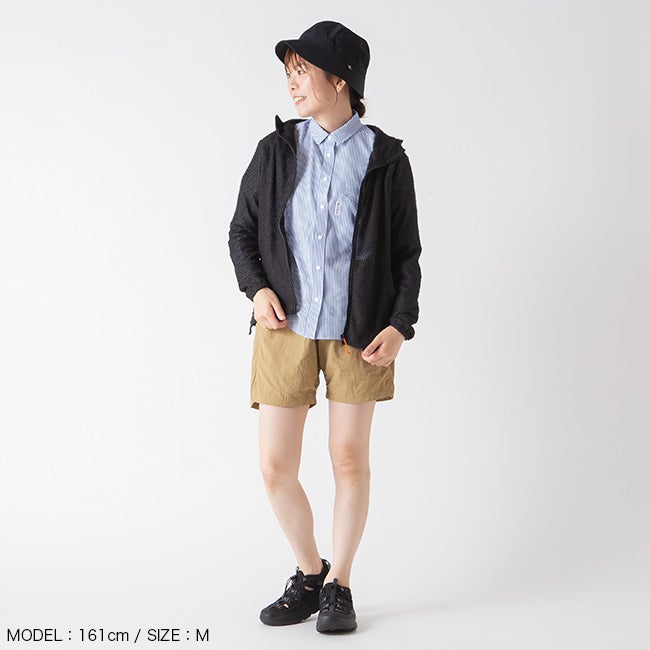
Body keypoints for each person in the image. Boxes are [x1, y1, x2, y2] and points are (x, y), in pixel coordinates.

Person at [228, 20, 421, 634]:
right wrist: (258, 289)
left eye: (302, 72)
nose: (292, 84)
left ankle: (340, 584)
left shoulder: (386, 158)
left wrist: (400, 323)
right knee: (274, 467)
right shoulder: (276, 150)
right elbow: (241, 232)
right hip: (283, 328)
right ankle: (310, 573)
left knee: (348, 459)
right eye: (288, 73)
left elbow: (406, 255)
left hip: (358, 333)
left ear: (341, 80)